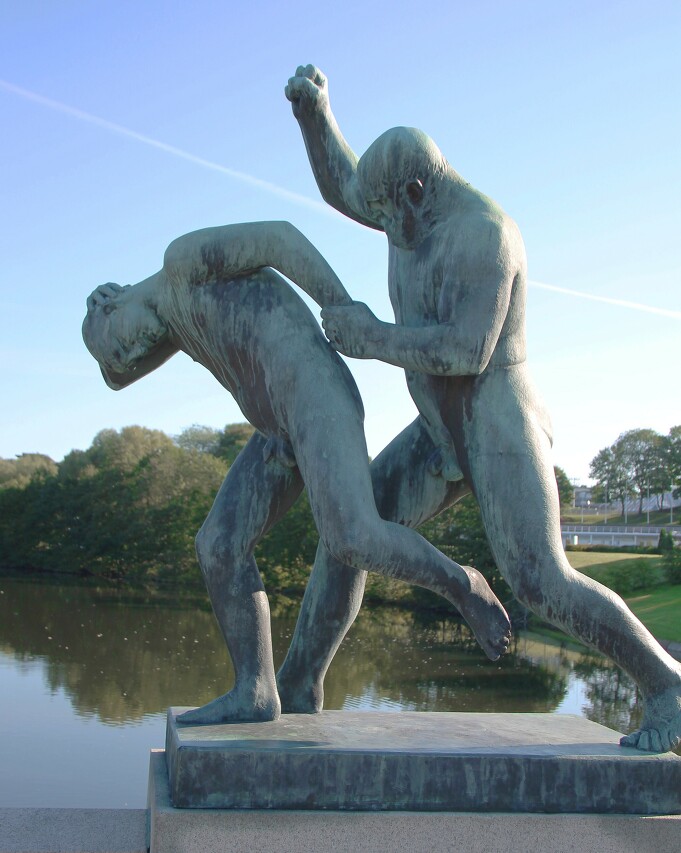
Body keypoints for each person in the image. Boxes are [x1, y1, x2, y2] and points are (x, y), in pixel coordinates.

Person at [277, 65, 681, 753]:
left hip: (496, 420)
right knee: (349, 529)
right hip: (438, 428)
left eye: (384, 212)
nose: (377, 225)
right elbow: (343, 182)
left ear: (414, 191)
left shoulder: (484, 235)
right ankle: (295, 688)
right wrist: (314, 114)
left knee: (538, 579)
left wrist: (372, 337)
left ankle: (667, 684)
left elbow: (467, 349)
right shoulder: (399, 206)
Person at [82, 220, 511, 725]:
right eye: (122, 355)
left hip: (314, 394)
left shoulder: (183, 264)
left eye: (119, 343)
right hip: (276, 429)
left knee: (353, 535)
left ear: (112, 302)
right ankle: (256, 691)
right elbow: (117, 380)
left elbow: (278, 240)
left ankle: (463, 584)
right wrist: (110, 347)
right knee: (219, 544)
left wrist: (344, 311)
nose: (131, 357)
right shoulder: (167, 322)